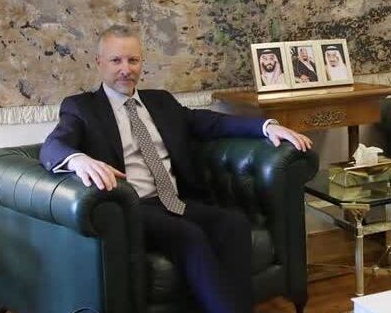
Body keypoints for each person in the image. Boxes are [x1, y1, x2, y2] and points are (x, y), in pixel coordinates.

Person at [39, 25, 313, 313]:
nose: (126, 69)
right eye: (116, 60)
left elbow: (212, 122)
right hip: (134, 207)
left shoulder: (161, 101)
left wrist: (266, 126)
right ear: (99, 63)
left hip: (175, 201)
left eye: (133, 60)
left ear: (142, 62)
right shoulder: (82, 108)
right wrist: (78, 159)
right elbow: (53, 146)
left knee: (234, 225)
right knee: (187, 235)